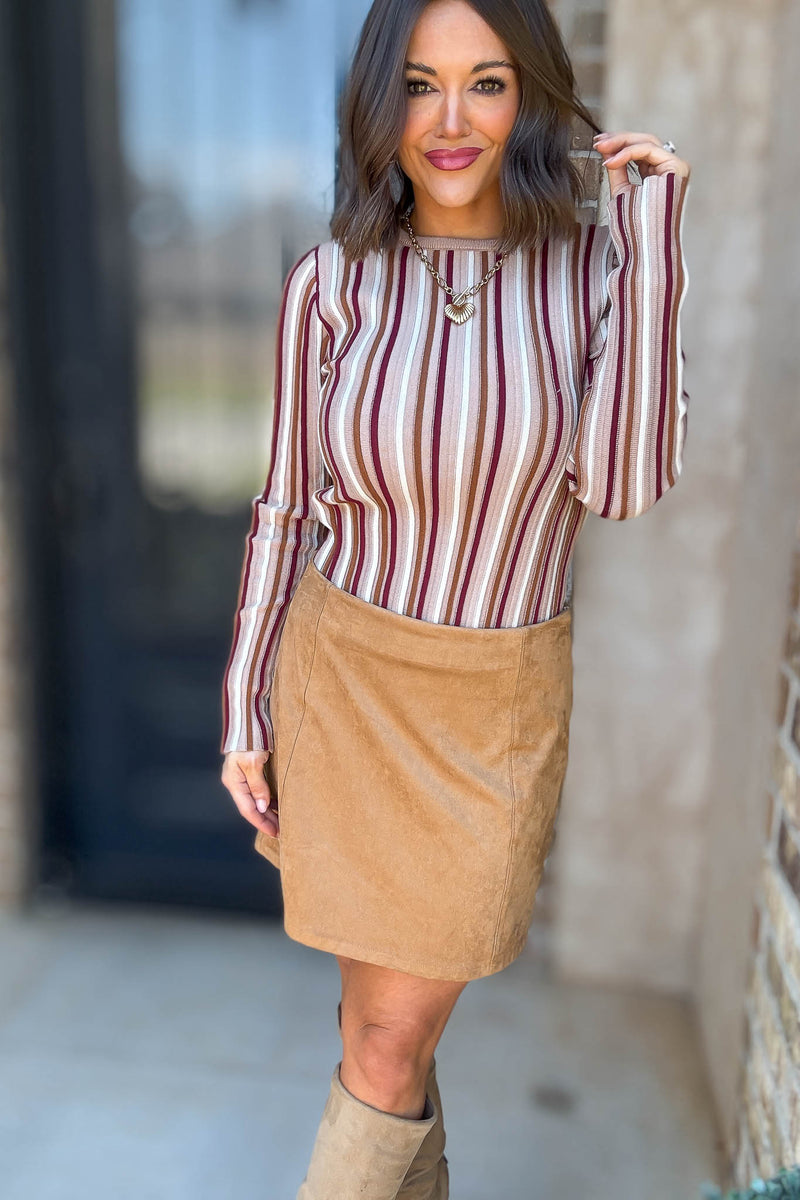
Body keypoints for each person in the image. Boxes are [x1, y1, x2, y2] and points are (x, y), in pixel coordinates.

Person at [219, 0, 692, 1194]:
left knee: (392, 1038)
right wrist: (245, 708)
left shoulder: (593, 266)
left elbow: (622, 482)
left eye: (484, 83)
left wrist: (651, 242)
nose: (449, 118)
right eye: (419, 84)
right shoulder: (330, 286)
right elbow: (285, 510)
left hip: (492, 711)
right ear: (380, 103)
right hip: (344, 683)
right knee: (373, 1038)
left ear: (528, 95)